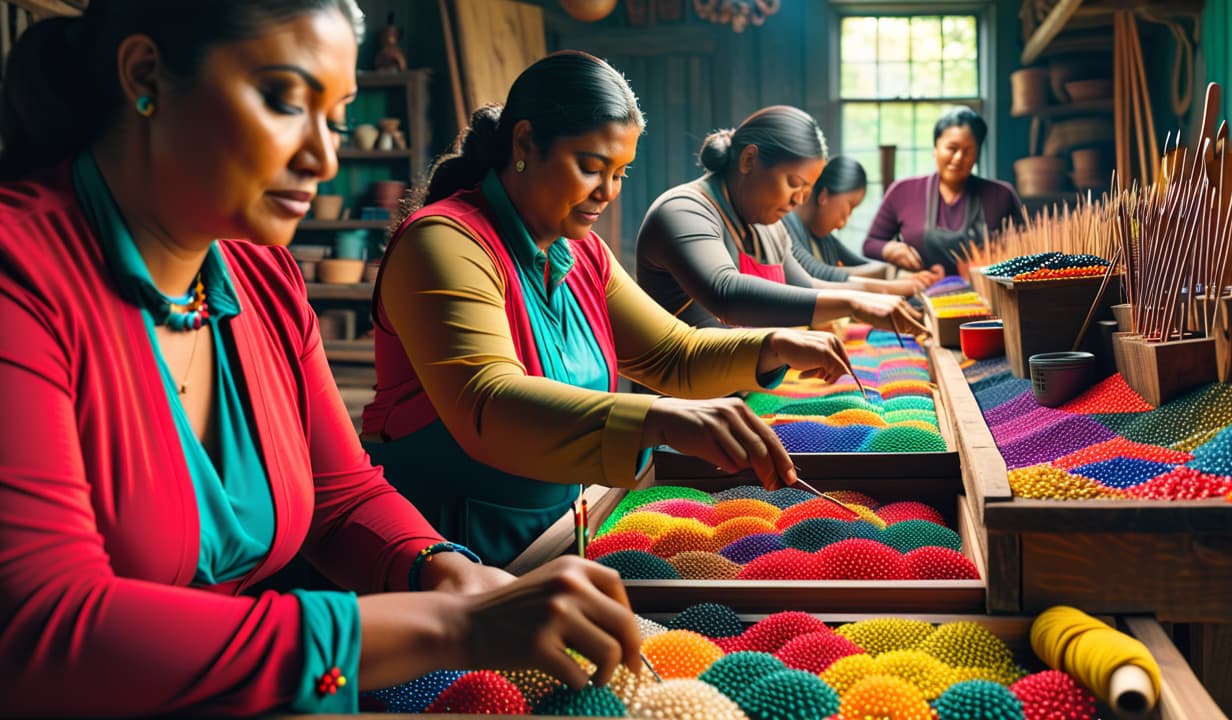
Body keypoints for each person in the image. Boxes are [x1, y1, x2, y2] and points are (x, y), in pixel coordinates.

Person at [0, 3, 647, 715]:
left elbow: (340, 498)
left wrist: (446, 569)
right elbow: (49, 631)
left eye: (336, 119)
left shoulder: (261, 281)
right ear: (146, 74)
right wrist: (449, 626)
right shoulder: (20, 278)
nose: (324, 158)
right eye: (284, 100)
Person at [363, 52, 856, 568]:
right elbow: (487, 402)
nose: (608, 193)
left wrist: (772, 346)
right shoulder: (442, 242)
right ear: (525, 142)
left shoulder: (582, 252)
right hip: (445, 548)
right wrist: (658, 419)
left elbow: (673, 354)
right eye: (591, 168)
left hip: (551, 534)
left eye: (620, 173)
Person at [634, 106, 928, 330]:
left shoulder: (769, 228)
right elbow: (727, 293)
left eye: (806, 190)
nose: (799, 200)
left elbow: (807, 287)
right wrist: (854, 303)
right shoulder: (683, 211)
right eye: (794, 183)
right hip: (686, 405)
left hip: (744, 388)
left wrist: (883, 296)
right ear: (749, 160)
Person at [861, 107, 1024, 275]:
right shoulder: (902, 191)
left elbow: (1025, 252)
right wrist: (890, 249)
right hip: (921, 293)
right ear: (935, 148)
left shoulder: (1002, 194)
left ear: (977, 155)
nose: (959, 157)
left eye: (968, 151)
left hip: (987, 296)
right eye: (952, 148)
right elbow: (870, 244)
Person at [783, 155, 943, 286]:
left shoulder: (822, 238)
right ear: (824, 195)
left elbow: (858, 263)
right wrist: (892, 277)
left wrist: (898, 271)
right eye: (849, 208)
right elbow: (816, 272)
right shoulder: (785, 224)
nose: (843, 223)